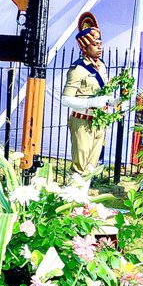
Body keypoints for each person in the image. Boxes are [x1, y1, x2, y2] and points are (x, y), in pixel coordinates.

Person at [61, 12, 110, 181]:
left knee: (91, 166)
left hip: (99, 121)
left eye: (100, 43)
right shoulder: (78, 69)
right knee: (79, 166)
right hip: (82, 120)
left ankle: (83, 195)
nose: (100, 47)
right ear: (85, 47)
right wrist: (91, 102)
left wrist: (114, 101)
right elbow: (65, 99)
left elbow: (104, 92)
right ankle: (73, 194)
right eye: (95, 44)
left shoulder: (102, 66)